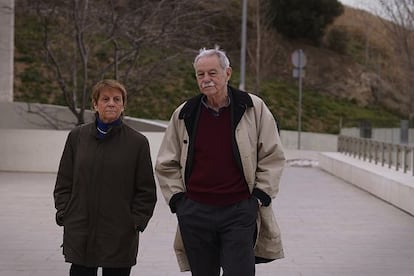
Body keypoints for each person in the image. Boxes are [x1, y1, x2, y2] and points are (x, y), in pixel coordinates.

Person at [155, 46, 286, 276]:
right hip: (195, 213)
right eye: (200, 74)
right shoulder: (185, 113)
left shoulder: (252, 108)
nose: (206, 79)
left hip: (239, 211)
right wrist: (179, 201)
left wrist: (258, 198)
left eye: (212, 73)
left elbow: (272, 155)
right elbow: (166, 163)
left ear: (228, 73)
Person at [53, 79, 157, 276]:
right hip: (80, 230)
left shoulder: (137, 142)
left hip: (119, 234)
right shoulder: (77, 137)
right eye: (105, 98)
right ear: (95, 104)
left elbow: (146, 190)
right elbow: (64, 181)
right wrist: (64, 213)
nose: (111, 103)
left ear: (123, 105)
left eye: (117, 99)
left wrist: (135, 222)